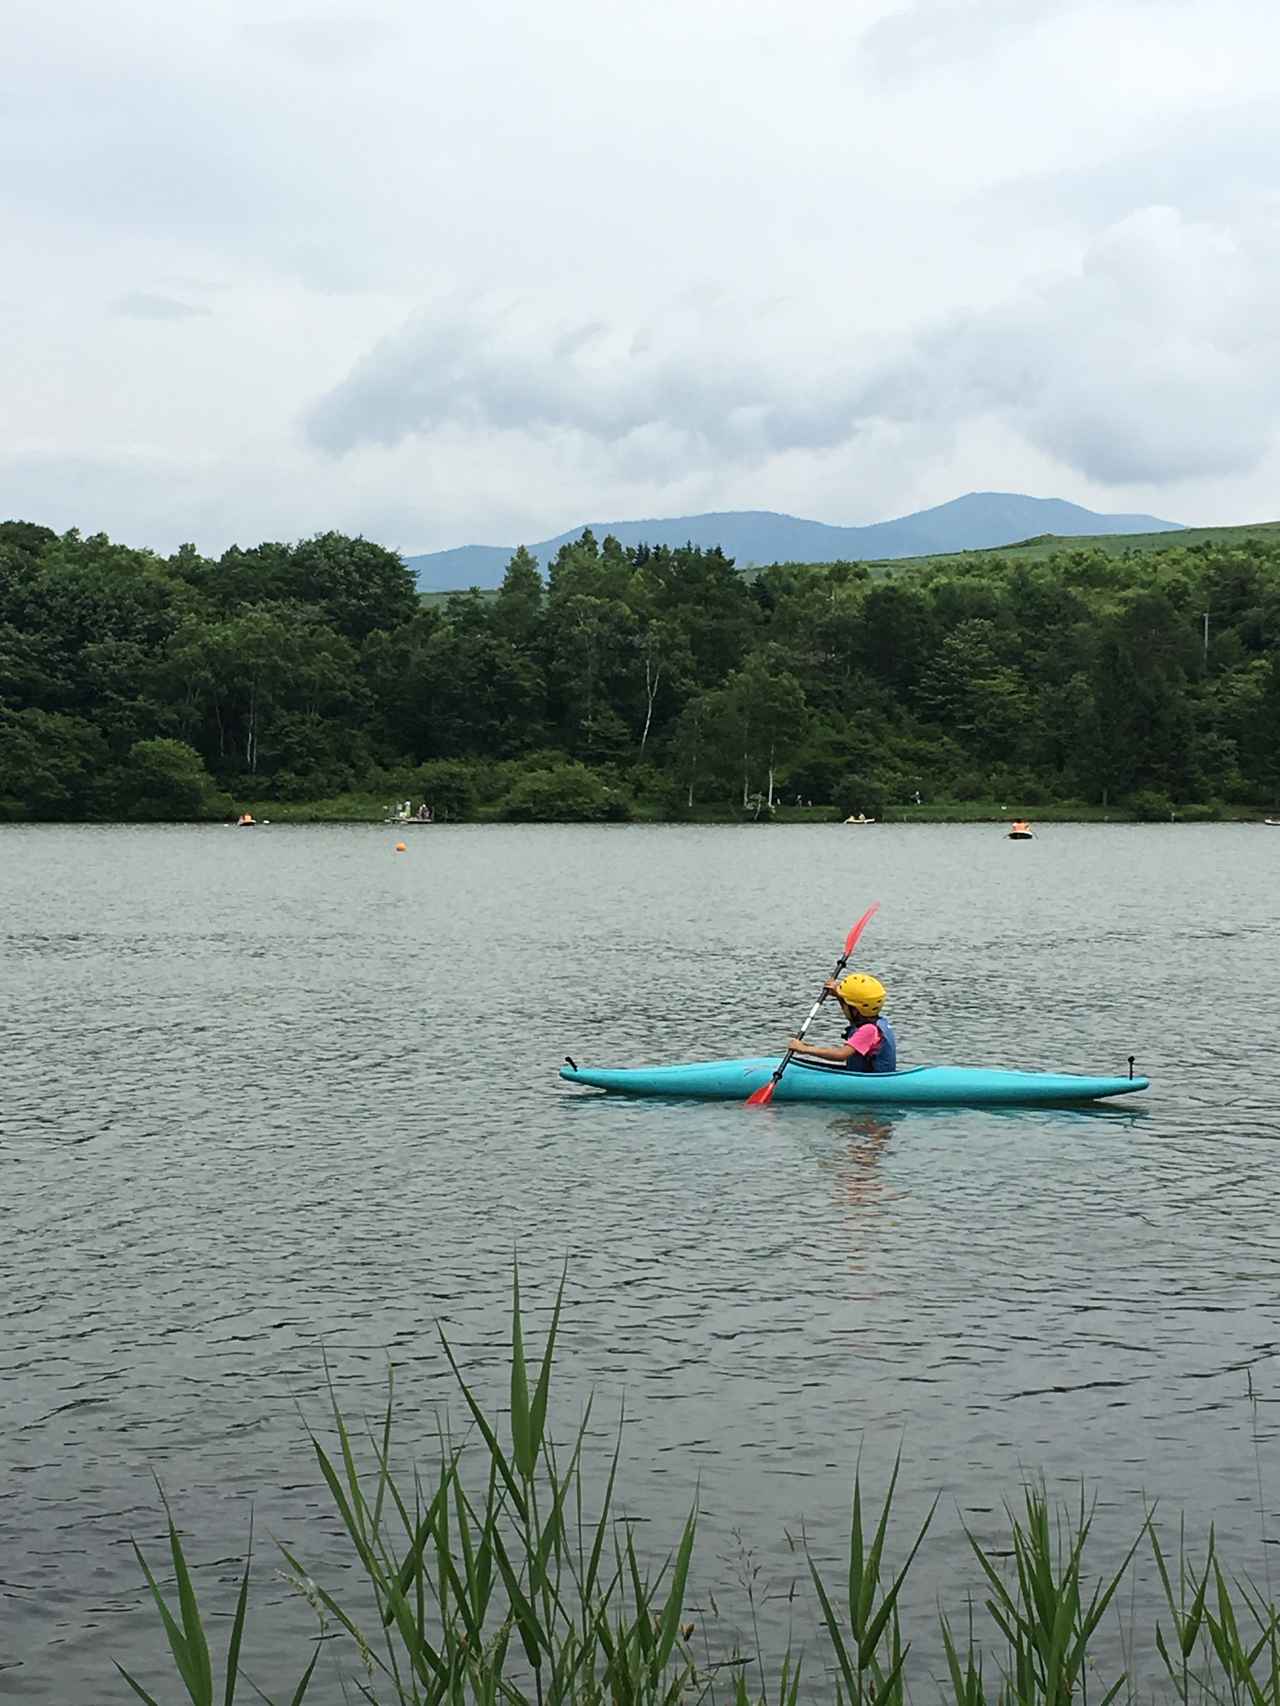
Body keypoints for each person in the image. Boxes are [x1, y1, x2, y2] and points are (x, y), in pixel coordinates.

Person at [788, 973, 897, 1073]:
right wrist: (839, 996)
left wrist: (804, 1049)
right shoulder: (876, 1022)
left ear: (855, 1010)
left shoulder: (868, 1030)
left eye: (845, 1004)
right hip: (866, 1075)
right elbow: (852, 1017)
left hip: (871, 1082)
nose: (843, 1008)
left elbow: (841, 1055)